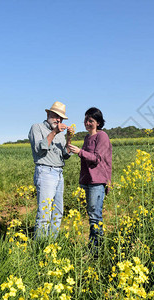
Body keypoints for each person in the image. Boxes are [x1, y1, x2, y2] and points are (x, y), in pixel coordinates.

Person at [68, 107, 112, 255]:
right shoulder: (87, 138)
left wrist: (79, 152)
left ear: (98, 123)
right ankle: (94, 246)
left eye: (91, 121)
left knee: (95, 216)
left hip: (97, 181)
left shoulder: (102, 137)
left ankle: (96, 250)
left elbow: (96, 159)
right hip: (86, 180)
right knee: (91, 215)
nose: (87, 123)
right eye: (86, 120)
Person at [28, 101, 74, 240]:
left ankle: (51, 244)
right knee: (45, 212)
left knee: (58, 212)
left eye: (61, 118)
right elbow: (39, 149)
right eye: (55, 116)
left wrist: (69, 139)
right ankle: (40, 247)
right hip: (45, 171)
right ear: (48, 114)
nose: (58, 120)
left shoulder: (60, 133)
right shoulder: (37, 128)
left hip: (59, 172)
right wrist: (54, 132)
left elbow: (65, 155)